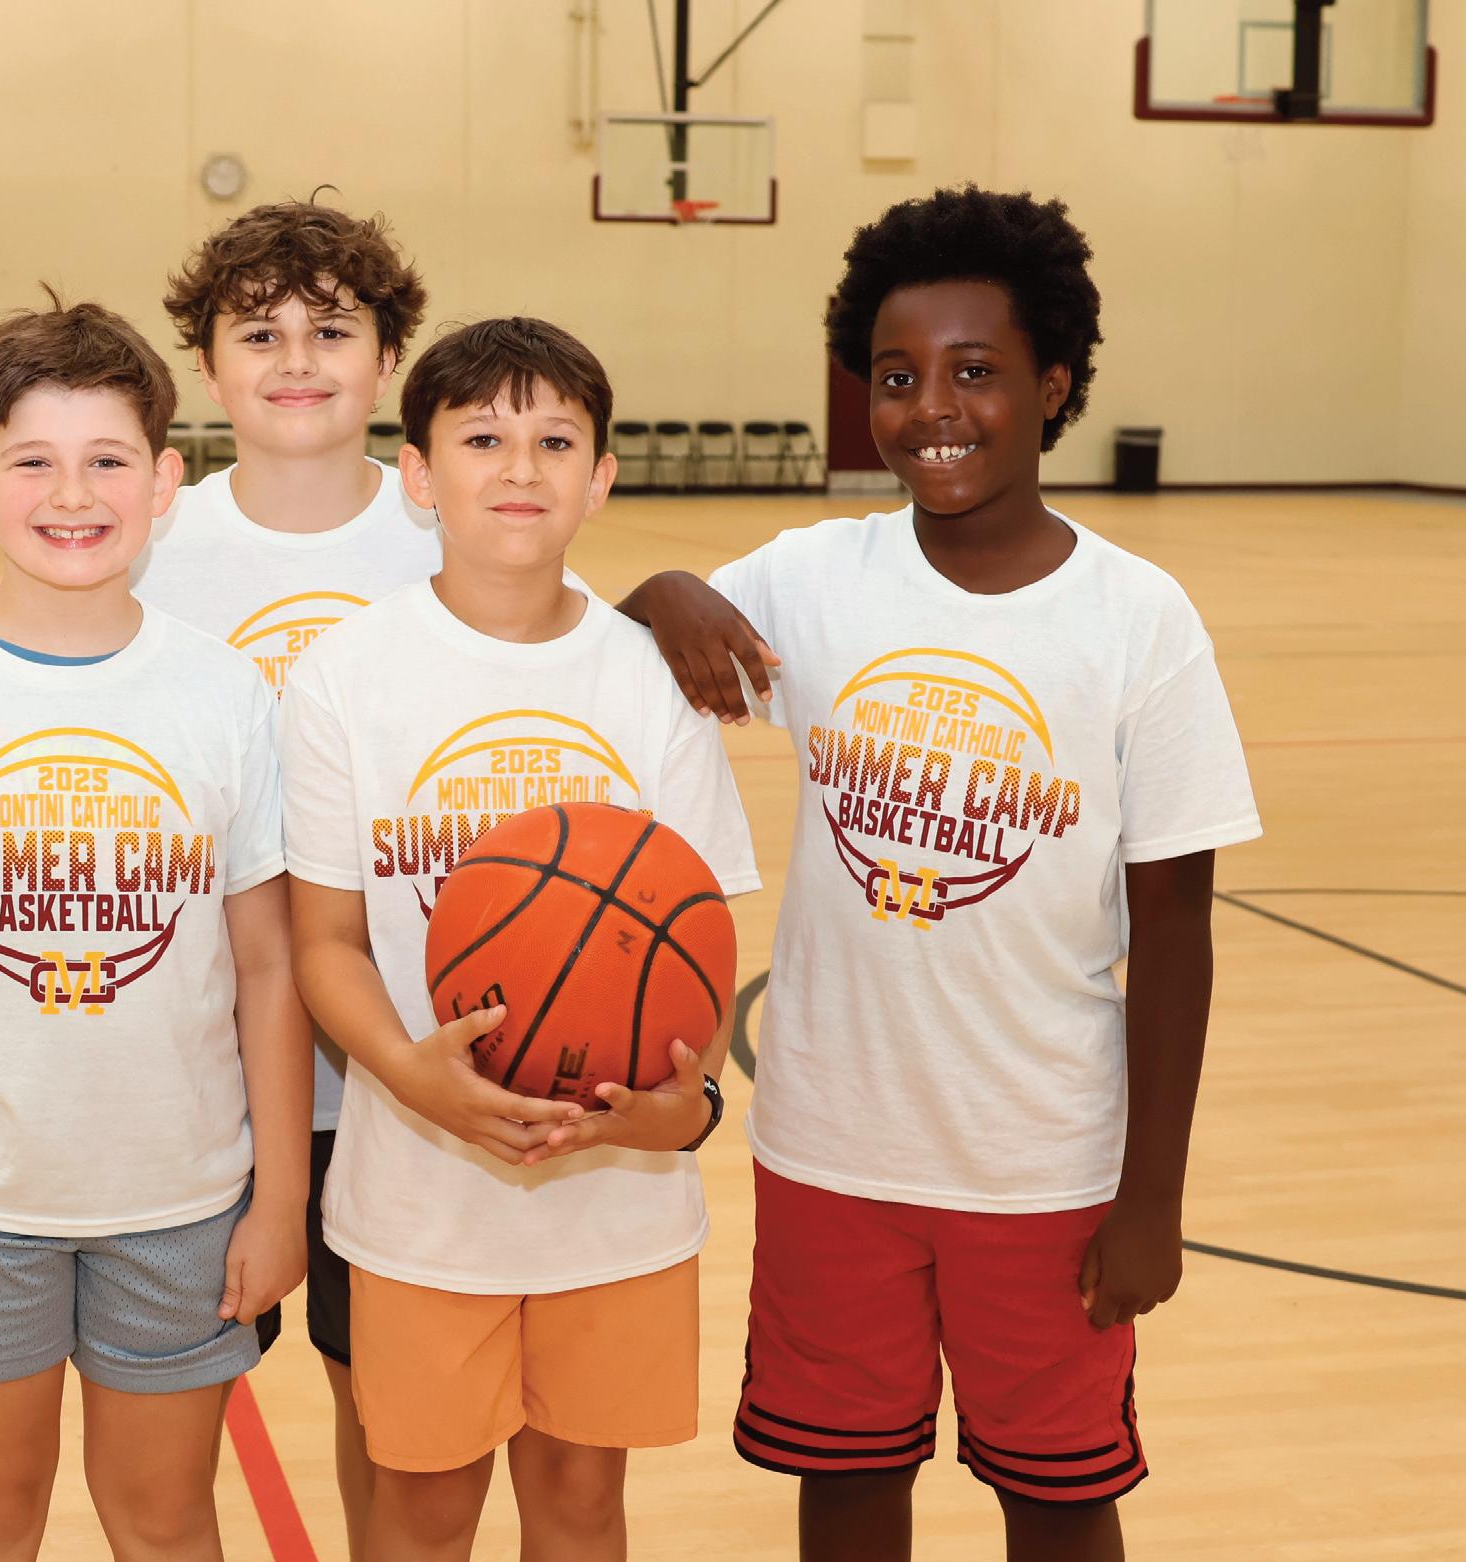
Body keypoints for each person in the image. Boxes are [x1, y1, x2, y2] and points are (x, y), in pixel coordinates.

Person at [621, 185, 1262, 1562]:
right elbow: (627, 663)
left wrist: (1153, 1197)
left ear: (1056, 383)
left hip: (1042, 1158)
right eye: (898, 376)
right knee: (847, 1480)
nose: (932, 409)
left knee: (1060, 1493)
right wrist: (660, 589)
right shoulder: (811, 577)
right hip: (830, 1145)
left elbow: (1176, 931)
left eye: (976, 370)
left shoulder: (1138, 620)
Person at [0, 295, 308, 1561]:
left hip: (185, 1197)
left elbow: (268, 964)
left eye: (108, 460)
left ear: (165, 482)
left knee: (165, 1513)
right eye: (32, 460)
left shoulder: (224, 692)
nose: (72, 494)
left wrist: (281, 1198)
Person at [282, 316, 760, 1561]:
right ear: (418, 473)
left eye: (556, 441)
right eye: (483, 438)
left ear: (601, 478)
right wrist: (409, 1071)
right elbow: (323, 938)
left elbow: (698, 937)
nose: (521, 467)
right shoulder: (345, 676)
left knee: (582, 1501)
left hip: (615, 1194)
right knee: (423, 1505)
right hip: (419, 1189)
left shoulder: (650, 679)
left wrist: (686, 1096)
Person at [139, 194, 432, 1553]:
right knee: (174, 1428)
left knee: (388, 1415)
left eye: (334, 329)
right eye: (259, 333)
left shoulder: (450, 529)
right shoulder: (148, 541)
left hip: (399, 1067)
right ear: (208, 366)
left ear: (389, 358)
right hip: (203, 1063)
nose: (298, 358)